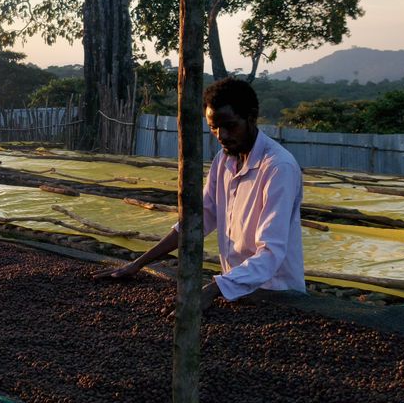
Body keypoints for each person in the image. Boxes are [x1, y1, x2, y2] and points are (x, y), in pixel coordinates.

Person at [105, 77, 304, 308]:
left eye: (230, 126)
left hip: (277, 294)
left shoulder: (279, 167)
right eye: (213, 127)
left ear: (251, 118)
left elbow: (271, 252)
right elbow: (197, 222)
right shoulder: (223, 161)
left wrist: (212, 289)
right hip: (236, 291)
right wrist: (138, 264)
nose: (221, 135)